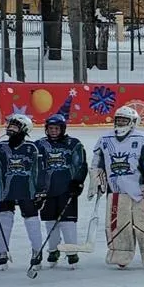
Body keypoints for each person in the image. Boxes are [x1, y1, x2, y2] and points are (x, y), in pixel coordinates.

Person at [91, 107, 144, 269]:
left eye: (124, 120)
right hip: (116, 192)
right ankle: (120, 254)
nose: (120, 123)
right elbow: (98, 161)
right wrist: (96, 178)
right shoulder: (105, 139)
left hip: (141, 191)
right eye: (118, 120)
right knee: (118, 225)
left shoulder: (143, 138)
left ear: (133, 122)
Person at [0, 114, 46, 272]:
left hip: (27, 190)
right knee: (5, 219)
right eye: (10, 125)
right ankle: (2, 251)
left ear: (24, 129)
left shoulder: (31, 148)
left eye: (15, 126)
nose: (10, 128)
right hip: (7, 190)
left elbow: (38, 171)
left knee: (32, 220)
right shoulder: (1, 147)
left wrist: (41, 192)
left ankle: (37, 251)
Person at [36, 114, 88, 267]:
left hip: (67, 189)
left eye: (56, 128)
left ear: (62, 129)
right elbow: (34, 167)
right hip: (47, 190)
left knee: (68, 222)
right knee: (50, 222)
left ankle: (72, 252)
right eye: (50, 128)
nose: (53, 131)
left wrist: (78, 182)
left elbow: (81, 164)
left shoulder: (73, 144)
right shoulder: (39, 145)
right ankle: (53, 249)